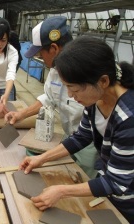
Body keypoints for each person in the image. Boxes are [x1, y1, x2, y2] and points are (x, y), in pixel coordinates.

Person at [19, 36, 134, 223]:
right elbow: (81, 137)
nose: (71, 96)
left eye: (74, 89)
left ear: (103, 81)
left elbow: (117, 182)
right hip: (112, 191)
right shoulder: (95, 100)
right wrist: (41, 158)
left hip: (128, 202)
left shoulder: (129, 117)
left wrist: (62, 191)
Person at [5, 16, 99, 178]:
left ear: (54, 48)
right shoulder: (55, 70)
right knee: (69, 174)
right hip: (72, 136)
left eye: (41, 53)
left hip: (92, 143)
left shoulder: (88, 69)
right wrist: (21, 114)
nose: (40, 58)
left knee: (86, 180)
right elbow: (48, 98)